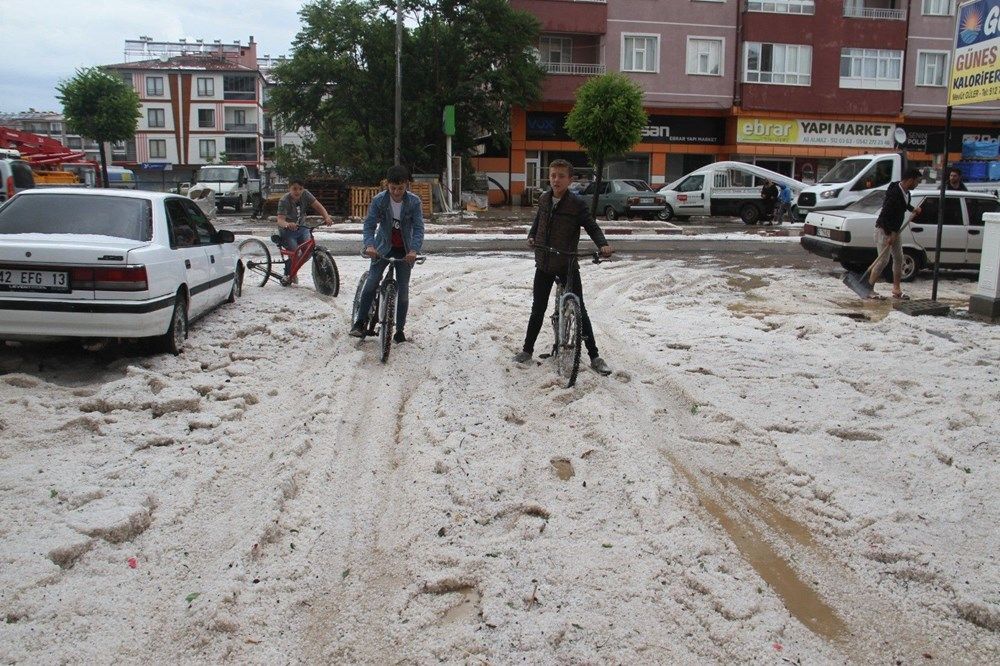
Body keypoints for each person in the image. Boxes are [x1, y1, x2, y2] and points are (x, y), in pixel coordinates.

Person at [512, 159, 614, 375]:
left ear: (570, 179)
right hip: (544, 262)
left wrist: (603, 244)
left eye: (561, 176)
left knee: (580, 308)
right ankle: (527, 351)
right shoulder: (544, 199)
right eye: (553, 175)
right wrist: (532, 236)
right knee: (537, 309)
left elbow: (591, 226)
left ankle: (595, 356)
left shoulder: (577, 204)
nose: (556, 180)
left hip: (567, 264)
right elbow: (538, 221)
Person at [349, 165, 424, 343]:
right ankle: (359, 323)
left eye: (400, 188)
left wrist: (414, 250)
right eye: (393, 188)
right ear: (387, 185)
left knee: (403, 289)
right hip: (382, 248)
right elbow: (369, 226)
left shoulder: (414, 202)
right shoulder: (379, 201)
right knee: (372, 282)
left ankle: (399, 329)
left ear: (406, 185)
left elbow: (419, 229)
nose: (396, 192)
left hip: (404, 251)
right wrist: (370, 245)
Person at [868, 168, 923, 300]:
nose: (917, 184)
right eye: (917, 181)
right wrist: (890, 234)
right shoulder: (894, 193)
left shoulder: (906, 193)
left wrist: (912, 208)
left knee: (899, 258)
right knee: (883, 260)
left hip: (895, 230)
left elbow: (903, 206)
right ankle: (869, 288)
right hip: (884, 229)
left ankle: (896, 289)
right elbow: (887, 214)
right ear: (910, 180)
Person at [276, 179, 333, 281]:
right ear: (289, 189)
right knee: (295, 253)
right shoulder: (284, 200)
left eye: (300, 189)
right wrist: (288, 224)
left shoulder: (306, 194)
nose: (297, 191)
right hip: (287, 231)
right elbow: (280, 220)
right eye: (294, 189)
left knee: (308, 251)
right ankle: (289, 272)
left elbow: (318, 206)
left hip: (302, 228)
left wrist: (326, 217)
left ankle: (293, 270)